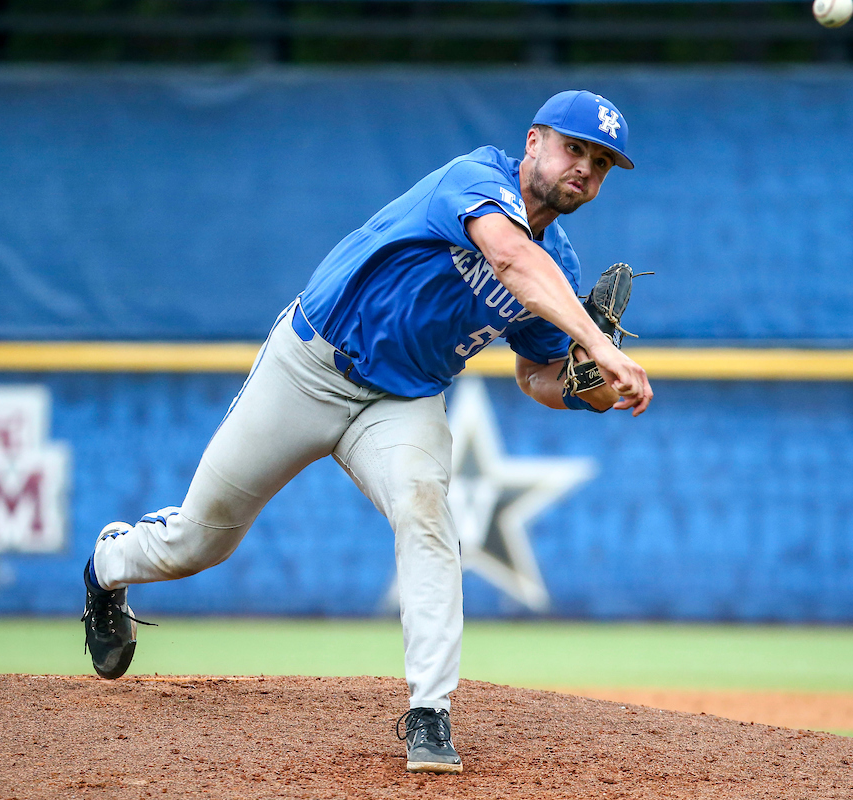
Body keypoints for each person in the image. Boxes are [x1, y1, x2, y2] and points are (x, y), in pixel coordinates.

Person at [80, 89, 653, 774]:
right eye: (573, 148)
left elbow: (536, 374)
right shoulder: (475, 179)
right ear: (534, 142)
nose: (585, 168)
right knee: (199, 542)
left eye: (601, 162)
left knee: (428, 519)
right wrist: (603, 343)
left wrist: (587, 390)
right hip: (311, 366)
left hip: (402, 402)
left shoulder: (559, 264)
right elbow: (509, 260)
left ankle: (430, 712)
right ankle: (108, 566)